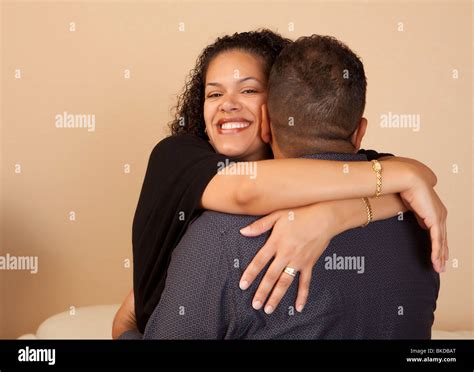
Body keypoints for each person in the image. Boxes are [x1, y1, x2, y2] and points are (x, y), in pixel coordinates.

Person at [112, 30, 447, 338]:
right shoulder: (177, 157)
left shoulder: (220, 239)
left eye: (248, 89)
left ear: (272, 114)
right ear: (358, 131)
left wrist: (334, 217)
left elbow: (406, 177)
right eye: (214, 93)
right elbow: (247, 190)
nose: (228, 103)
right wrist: (403, 180)